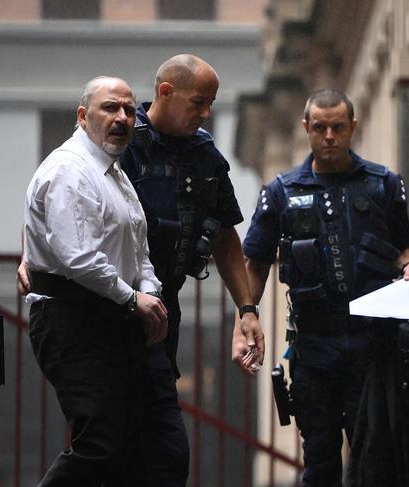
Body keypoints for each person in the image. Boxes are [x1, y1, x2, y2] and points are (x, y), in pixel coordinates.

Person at [19, 55, 264, 486]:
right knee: (106, 443)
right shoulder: (101, 154)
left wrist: (245, 309)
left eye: (127, 110)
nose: (206, 112)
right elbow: (61, 221)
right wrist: (30, 256)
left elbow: (163, 238)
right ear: (166, 93)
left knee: (159, 448)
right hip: (93, 309)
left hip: (150, 309)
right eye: (199, 101)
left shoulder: (167, 160)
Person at [241, 89, 409, 486]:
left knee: (376, 458)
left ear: (352, 127)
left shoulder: (383, 184)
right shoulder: (281, 192)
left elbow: (403, 244)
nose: (328, 136)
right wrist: (247, 316)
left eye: (337, 127)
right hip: (314, 348)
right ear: (306, 128)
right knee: (320, 462)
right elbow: (254, 262)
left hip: (373, 344)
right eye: (319, 127)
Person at [23, 76, 168, 487]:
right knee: (100, 441)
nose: (121, 117)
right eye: (110, 108)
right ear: (84, 116)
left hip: (110, 320)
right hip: (71, 318)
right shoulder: (70, 170)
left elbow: (139, 249)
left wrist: (150, 295)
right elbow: (78, 257)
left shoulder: (114, 175)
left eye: (128, 110)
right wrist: (133, 298)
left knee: (129, 444)